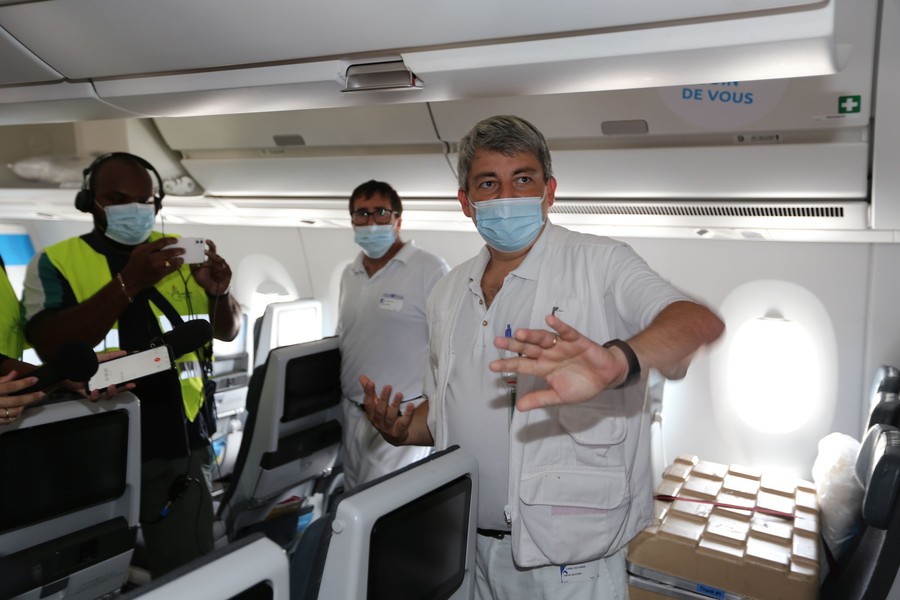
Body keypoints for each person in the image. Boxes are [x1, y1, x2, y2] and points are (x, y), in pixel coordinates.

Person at [362, 115, 725, 599]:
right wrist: (404, 429)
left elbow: (697, 321)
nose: (506, 197)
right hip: (465, 547)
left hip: (567, 564)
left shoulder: (599, 263)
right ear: (466, 202)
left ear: (549, 191)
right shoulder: (447, 291)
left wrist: (618, 361)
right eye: (488, 183)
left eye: (523, 180)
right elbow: (447, 414)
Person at [22, 152, 241, 577]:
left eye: (144, 201)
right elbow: (52, 345)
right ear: (90, 202)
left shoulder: (179, 254)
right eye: (118, 199)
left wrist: (221, 292)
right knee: (91, 571)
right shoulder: (56, 261)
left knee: (190, 570)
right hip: (98, 442)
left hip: (182, 438)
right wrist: (130, 282)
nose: (134, 210)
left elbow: (226, 330)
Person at [336, 180, 449, 489]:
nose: (371, 221)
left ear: (398, 220)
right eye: (362, 214)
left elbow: (449, 342)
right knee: (351, 496)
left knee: (380, 504)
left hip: (402, 415)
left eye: (381, 212)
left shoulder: (429, 268)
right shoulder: (349, 273)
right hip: (353, 412)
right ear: (352, 222)